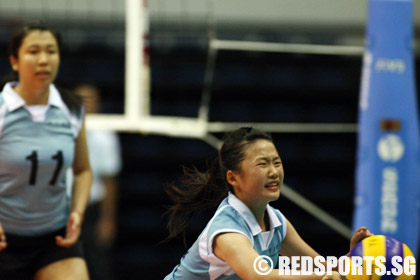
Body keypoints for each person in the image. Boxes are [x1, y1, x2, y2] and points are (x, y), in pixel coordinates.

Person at [164, 127, 372, 280]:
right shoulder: (227, 231)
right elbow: (259, 276)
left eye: (277, 162)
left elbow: (320, 267)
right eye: (262, 164)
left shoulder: (277, 223)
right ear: (233, 178)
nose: (273, 172)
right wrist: (319, 277)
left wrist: (354, 258)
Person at [0, 22, 92, 280]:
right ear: (15, 61)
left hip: (55, 238)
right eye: (33, 51)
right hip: (4, 238)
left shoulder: (71, 109)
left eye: (51, 51)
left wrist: (77, 212)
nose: (43, 60)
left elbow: (83, 171)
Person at [70, 84, 121, 280]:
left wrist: (108, 219)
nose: (86, 103)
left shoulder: (105, 135)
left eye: (90, 99)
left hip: (92, 209)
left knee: (97, 265)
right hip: (64, 209)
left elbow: (110, 180)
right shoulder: (61, 131)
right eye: (81, 99)